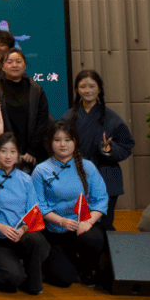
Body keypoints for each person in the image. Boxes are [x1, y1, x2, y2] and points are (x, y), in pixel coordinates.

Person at [32, 121, 107, 288]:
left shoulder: (88, 167)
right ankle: (65, 263)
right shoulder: (41, 170)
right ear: (50, 143)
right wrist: (61, 221)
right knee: (64, 279)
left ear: (75, 142)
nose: (63, 144)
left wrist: (88, 222)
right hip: (55, 230)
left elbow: (101, 199)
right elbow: (38, 206)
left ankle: (87, 271)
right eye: (57, 140)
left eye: (67, 140)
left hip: (82, 225)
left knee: (94, 238)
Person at [61, 69, 135, 232]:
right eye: (83, 86)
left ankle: (109, 249)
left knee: (104, 225)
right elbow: (58, 146)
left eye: (92, 86)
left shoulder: (112, 118)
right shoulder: (68, 118)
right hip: (75, 177)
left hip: (105, 176)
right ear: (77, 89)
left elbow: (127, 145)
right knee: (76, 224)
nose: (87, 90)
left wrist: (109, 149)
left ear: (99, 89)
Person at [0, 132, 49, 295]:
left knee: (37, 240)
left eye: (13, 151)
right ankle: (3, 271)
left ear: (18, 154)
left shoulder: (26, 179)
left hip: (21, 235)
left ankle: (33, 283)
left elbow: (33, 211)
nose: (8, 156)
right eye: (3, 151)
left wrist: (23, 229)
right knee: (13, 278)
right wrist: (0, 226)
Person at [0, 48, 51, 173]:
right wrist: (11, 152)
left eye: (18, 61)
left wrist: (32, 150)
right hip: (5, 154)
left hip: (34, 154)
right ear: (3, 67)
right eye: (9, 62)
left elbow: (42, 121)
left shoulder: (36, 90)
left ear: (24, 65)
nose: (14, 65)